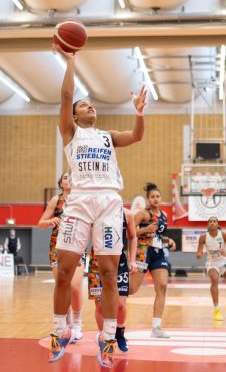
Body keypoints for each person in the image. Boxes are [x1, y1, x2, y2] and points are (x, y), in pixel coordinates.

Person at [49, 45, 147, 368]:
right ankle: (59, 330)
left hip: (108, 203)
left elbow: (135, 137)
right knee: (64, 271)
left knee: (108, 274)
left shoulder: (107, 136)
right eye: (84, 104)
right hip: (78, 201)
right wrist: (70, 61)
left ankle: (106, 339)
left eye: (92, 105)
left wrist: (139, 113)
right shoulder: (70, 133)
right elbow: (65, 98)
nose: (90, 107)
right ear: (75, 114)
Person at [39, 171, 85, 344]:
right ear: (60, 183)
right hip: (57, 247)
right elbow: (41, 223)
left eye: (72, 177)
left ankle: (78, 324)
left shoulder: (81, 199)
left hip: (77, 246)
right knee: (62, 285)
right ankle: (67, 325)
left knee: (74, 286)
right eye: (66, 177)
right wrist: (50, 221)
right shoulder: (55, 200)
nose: (69, 179)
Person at [87, 207, 138, 352]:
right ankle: (104, 338)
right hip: (97, 262)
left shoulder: (126, 214)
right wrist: (80, 256)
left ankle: (120, 333)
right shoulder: (93, 211)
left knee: (120, 304)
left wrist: (133, 260)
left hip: (119, 263)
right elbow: (84, 236)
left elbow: (133, 237)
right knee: (100, 306)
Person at [128, 182, 175, 338]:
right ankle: (112, 304)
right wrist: (145, 229)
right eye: (152, 197)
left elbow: (158, 235)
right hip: (143, 251)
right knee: (131, 289)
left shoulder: (165, 215)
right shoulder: (143, 214)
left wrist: (168, 241)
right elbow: (130, 232)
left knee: (162, 287)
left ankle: (156, 327)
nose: (156, 199)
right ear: (148, 200)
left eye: (158, 196)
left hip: (158, 252)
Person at [196, 216, 226, 321]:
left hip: (223, 261)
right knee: (214, 280)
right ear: (207, 224)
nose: (212, 223)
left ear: (218, 224)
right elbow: (199, 252)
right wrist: (199, 254)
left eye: (214, 221)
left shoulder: (224, 234)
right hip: (212, 262)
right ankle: (216, 309)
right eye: (210, 221)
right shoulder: (203, 237)